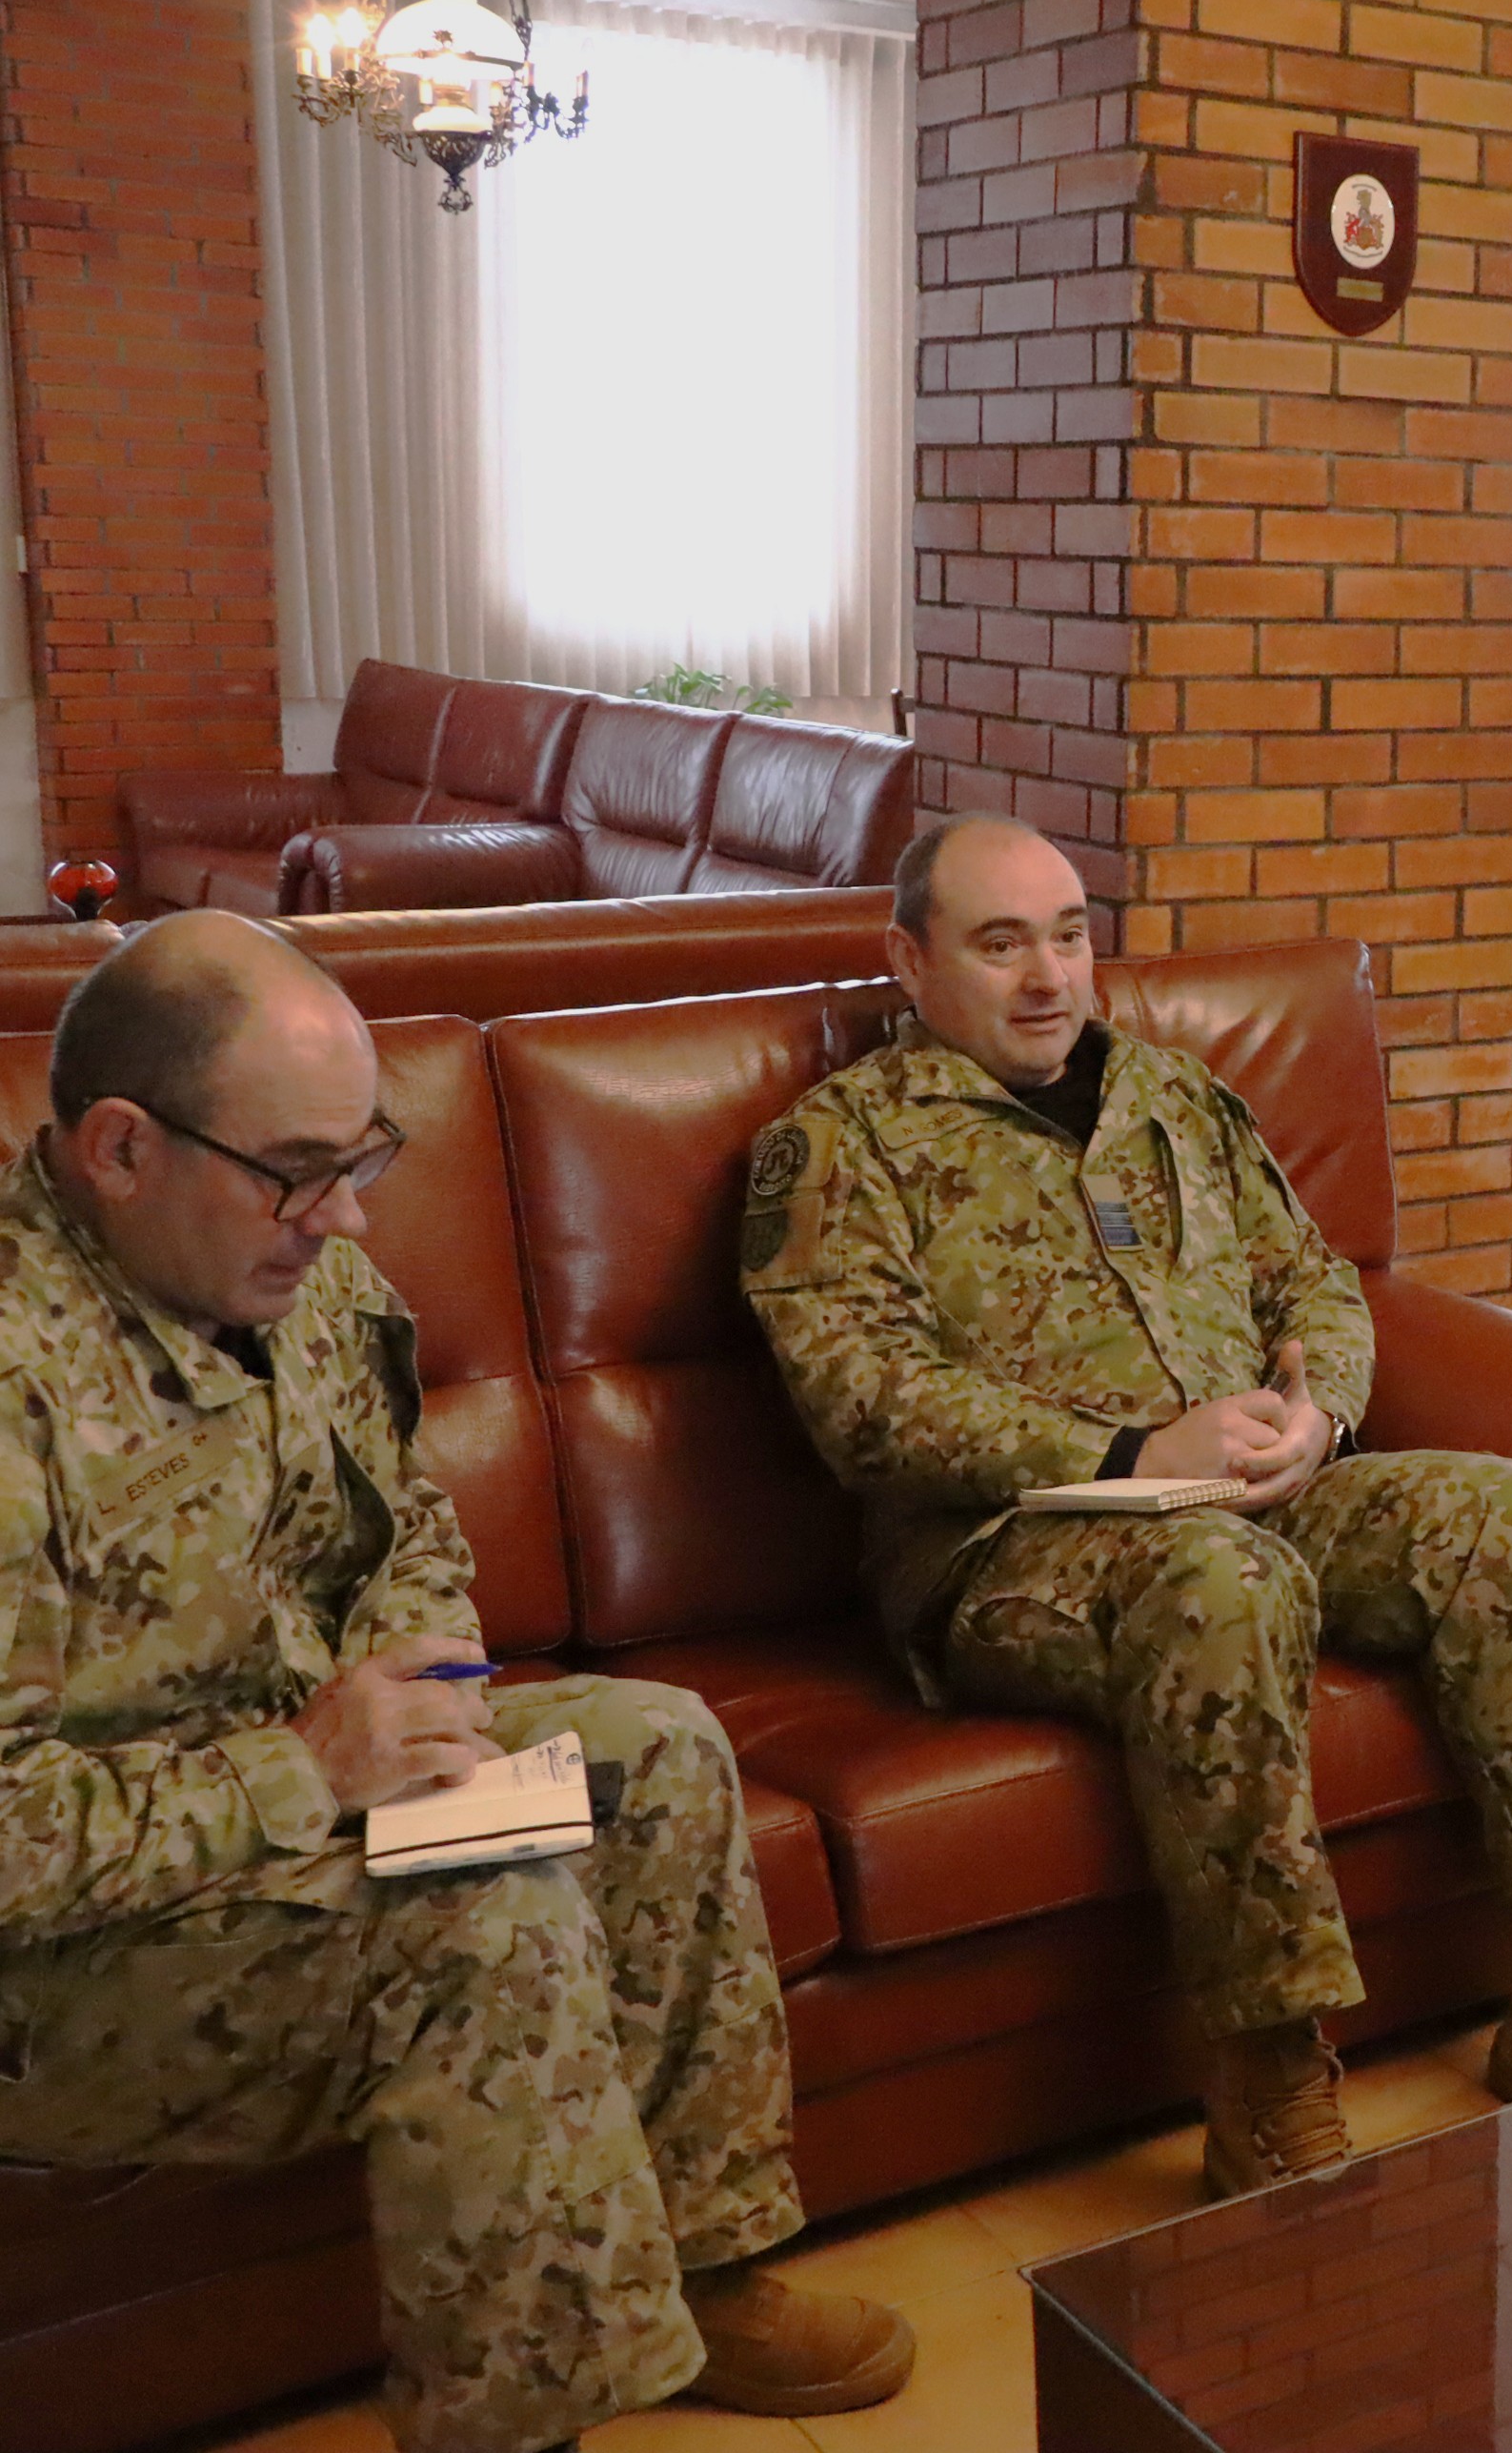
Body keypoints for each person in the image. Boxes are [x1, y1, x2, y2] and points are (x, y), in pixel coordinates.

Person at [0, 915, 911, 2453]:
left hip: (306, 1804)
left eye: (365, 1158)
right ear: (121, 1150)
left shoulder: (303, 1282)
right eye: (299, 1171)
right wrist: (304, 1770)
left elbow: (407, 1527)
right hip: (74, 1965)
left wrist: (424, 1693)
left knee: (662, 1751)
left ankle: (714, 2267)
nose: (347, 1216)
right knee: (484, 1917)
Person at [741, 815, 1512, 2198]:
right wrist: (1131, 1453)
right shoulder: (839, 1145)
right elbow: (863, 1398)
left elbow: (1316, 1280)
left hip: (1260, 1495)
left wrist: (1320, 1412)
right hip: (1017, 1549)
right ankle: (1271, 2077)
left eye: (1069, 937)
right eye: (1000, 945)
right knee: (1225, 1583)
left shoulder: (1173, 1097)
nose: (1048, 976)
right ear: (911, 961)